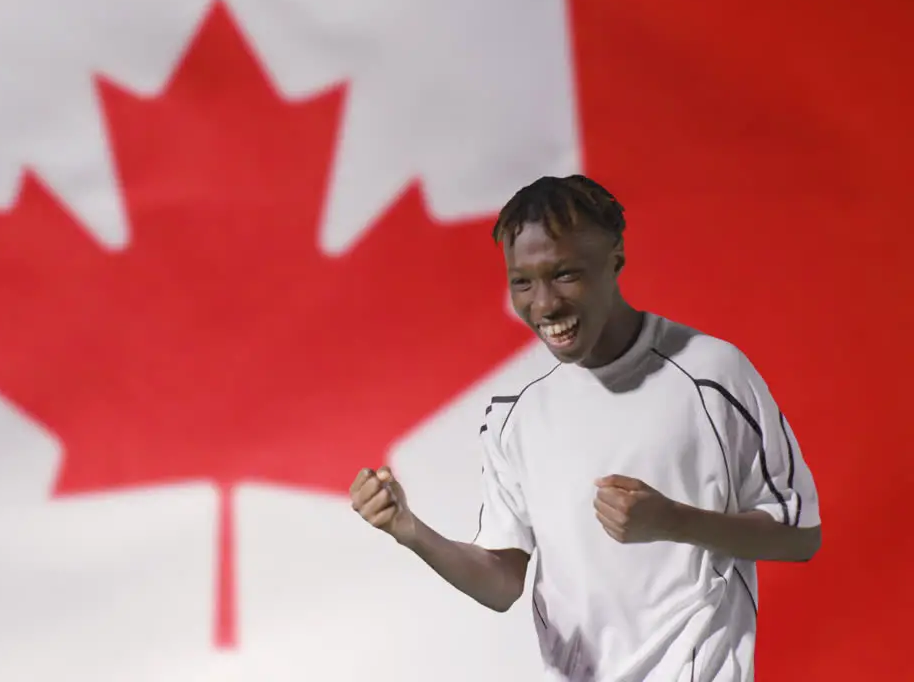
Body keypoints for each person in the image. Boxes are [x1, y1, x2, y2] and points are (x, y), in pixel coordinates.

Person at [349, 175, 821, 681]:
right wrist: (411, 532)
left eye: (565, 274)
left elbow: (799, 535)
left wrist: (673, 521)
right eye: (522, 282)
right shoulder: (517, 415)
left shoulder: (712, 374)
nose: (545, 304)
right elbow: (502, 582)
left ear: (615, 258)